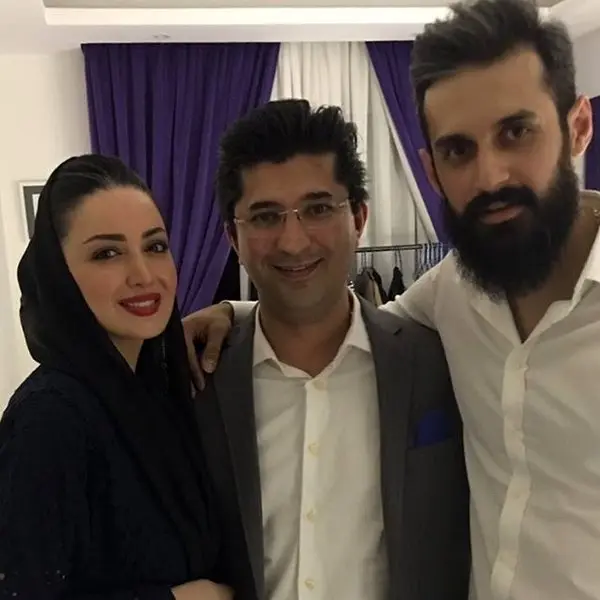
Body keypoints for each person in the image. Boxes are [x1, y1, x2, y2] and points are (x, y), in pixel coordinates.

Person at [183, 1, 600, 599]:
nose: (489, 176)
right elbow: (330, 322)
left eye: (517, 132)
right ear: (431, 170)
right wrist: (231, 313)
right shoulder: (451, 294)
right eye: (458, 150)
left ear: (578, 126)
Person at [192, 99, 470, 600]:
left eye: (318, 209)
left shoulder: (437, 361)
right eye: (265, 216)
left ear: (359, 216)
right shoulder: (198, 379)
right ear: (233, 236)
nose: (293, 241)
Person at [0, 155, 231, 600]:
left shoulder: (160, 391)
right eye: (107, 253)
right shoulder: (51, 418)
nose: (143, 275)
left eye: (155, 246)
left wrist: (231, 311)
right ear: (60, 274)